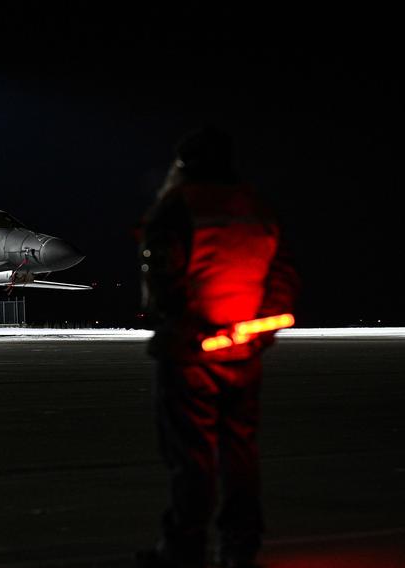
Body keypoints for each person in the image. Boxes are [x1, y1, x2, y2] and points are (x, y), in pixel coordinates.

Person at [135, 127, 300, 568]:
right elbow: (283, 275)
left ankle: (183, 550)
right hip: (244, 354)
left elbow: (162, 275)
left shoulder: (178, 204)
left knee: (191, 457)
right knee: (240, 452)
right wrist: (257, 333)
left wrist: (178, 322)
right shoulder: (257, 206)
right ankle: (239, 548)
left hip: (190, 353)